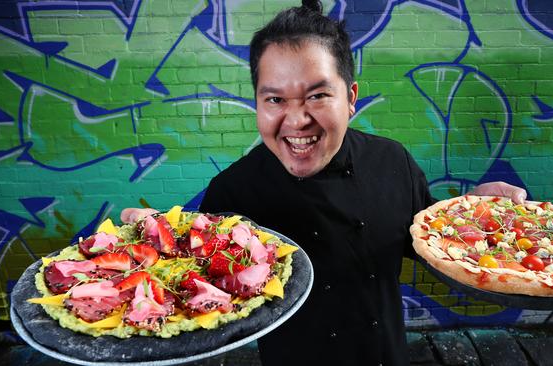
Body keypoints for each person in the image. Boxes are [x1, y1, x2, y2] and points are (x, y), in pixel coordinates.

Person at [123, 1, 525, 364]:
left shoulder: (392, 161)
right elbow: (192, 287)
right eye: (275, 100)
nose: (297, 121)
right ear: (258, 104)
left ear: (350, 97)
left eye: (317, 96)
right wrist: (153, 250)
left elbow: (426, 242)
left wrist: (472, 219)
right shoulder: (233, 193)